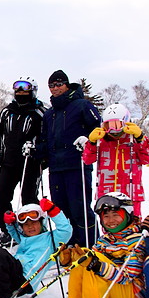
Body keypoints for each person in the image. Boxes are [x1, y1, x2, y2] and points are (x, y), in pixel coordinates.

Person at [41, 192, 147, 298]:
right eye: (106, 216)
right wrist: (68, 261)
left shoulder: (136, 240)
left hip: (129, 295)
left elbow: (127, 277)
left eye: (116, 215)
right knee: (83, 255)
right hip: (112, 290)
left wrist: (96, 265)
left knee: (92, 259)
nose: (111, 220)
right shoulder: (105, 239)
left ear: (127, 214)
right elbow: (87, 269)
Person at [37, 70, 101, 247]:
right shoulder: (50, 113)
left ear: (66, 85)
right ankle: (69, 244)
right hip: (56, 166)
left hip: (77, 164)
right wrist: (40, 153)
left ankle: (90, 243)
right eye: (51, 85)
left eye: (59, 84)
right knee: (61, 209)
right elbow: (45, 138)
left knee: (79, 207)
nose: (55, 88)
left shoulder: (82, 105)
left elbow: (97, 127)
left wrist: (88, 139)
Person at [0, 78, 46, 245]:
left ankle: (35, 231)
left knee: (28, 197)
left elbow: (46, 137)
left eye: (25, 90)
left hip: (30, 163)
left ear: (33, 91)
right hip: (8, 162)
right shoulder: (7, 112)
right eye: (18, 90)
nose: (21, 93)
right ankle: (7, 230)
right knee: (0, 195)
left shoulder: (39, 112)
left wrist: (39, 153)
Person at [82, 103, 149, 216]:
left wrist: (141, 138)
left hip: (130, 192)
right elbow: (87, 159)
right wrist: (91, 143)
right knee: (109, 225)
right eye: (108, 125)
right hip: (107, 193)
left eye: (116, 124)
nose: (113, 129)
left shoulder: (133, 140)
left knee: (132, 225)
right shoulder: (101, 142)